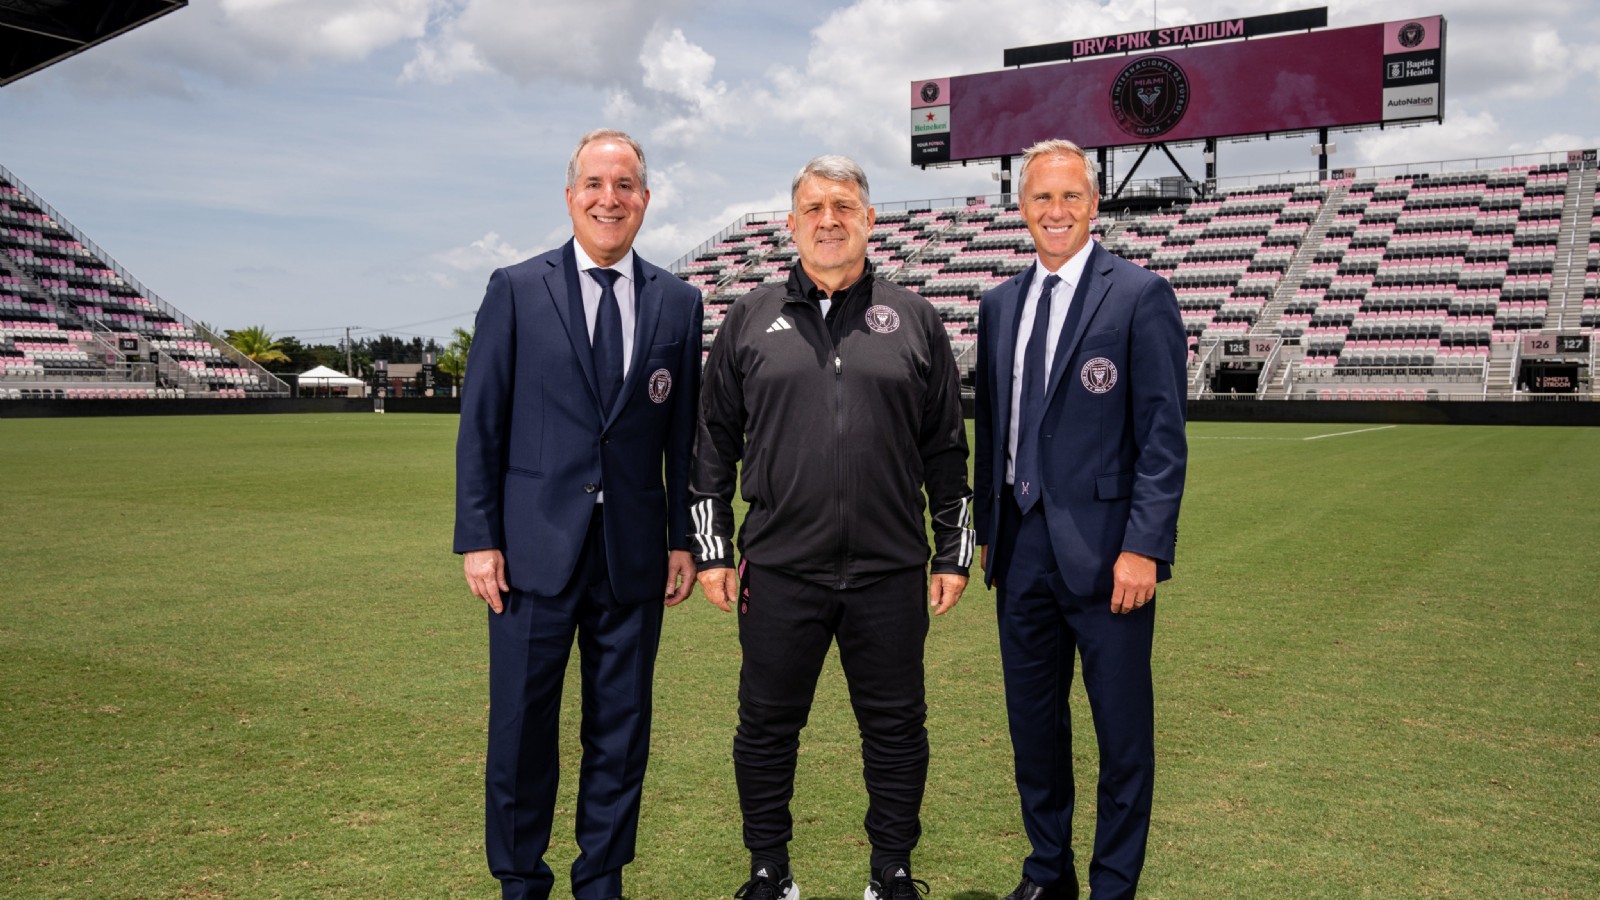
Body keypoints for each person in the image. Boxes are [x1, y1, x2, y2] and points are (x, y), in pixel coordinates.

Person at [690, 155, 974, 900]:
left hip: (888, 571)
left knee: (896, 731)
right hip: (780, 570)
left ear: (870, 221)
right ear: (791, 224)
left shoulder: (914, 318)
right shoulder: (750, 318)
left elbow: (947, 446)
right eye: (814, 207)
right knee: (765, 729)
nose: (829, 219)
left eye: (844, 206)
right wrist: (713, 549)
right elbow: (713, 439)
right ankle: (768, 871)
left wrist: (954, 551)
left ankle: (892, 872)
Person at [453, 129, 703, 900]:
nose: (609, 198)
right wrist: (479, 538)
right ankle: (520, 881)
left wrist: (682, 540)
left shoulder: (679, 301)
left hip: (631, 557)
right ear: (570, 197)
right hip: (530, 554)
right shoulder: (517, 287)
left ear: (645, 200)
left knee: (620, 733)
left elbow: (683, 436)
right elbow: (481, 422)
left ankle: (602, 882)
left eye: (624, 184)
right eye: (595, 183)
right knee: (522, 733)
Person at [973, 139, 1188, 900]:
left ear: (1094, 205)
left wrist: (1144, 547)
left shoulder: (1138, 294)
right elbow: (992, 429)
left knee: (1121, 735)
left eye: (1070, 197)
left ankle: (1113, 885)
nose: (1055, 211)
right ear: (1022, 208)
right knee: (1034, 730)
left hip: (1108, 557)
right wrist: (986, 539)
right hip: (1021, 548)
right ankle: (1047, 872)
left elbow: (1163, 438)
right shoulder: (998, 305)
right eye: (1041, 198)